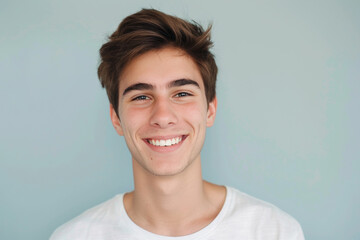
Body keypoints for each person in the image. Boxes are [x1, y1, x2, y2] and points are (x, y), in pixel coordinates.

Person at [50, 9, 305, 240]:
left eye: (182, 93)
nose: (163, 116)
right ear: (116, 117)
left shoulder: (274, 231)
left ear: (210, 109)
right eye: (141, 97)